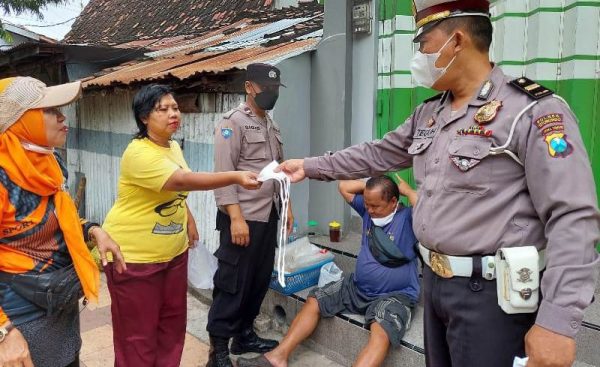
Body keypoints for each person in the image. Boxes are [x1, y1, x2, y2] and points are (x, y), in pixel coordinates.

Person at [277, 1, 600, 366]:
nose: (419, 55)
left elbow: (574, 217)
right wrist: (310, 166)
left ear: (456, 41)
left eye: (424, 43)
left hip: (493, 297)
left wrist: (557, 321)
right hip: (434, 284)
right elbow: (376, 154)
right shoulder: (429, 114)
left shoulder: (532, 111)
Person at [102, 84, 260, 367]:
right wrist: (235, 176)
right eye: (162, 109)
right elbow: (182, 181)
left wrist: (188, 216)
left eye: (175, 107)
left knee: (171, 328)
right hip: (135, 259)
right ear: (144, 118)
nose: (173, 113)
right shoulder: (138, 153)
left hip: (173, 255)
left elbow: (173, 187)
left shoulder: (172, 146)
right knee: (137, 337)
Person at [0, 76, 126, 367]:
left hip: (58, 302)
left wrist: (92, 229)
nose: (62, 117)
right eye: (49, 110)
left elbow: (59, 217)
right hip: (18, 317)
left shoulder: (48, 164)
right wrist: (4, 332)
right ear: (20, 119)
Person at [239, 175, 420, 367]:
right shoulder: (368, 211)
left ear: (393, 201)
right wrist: (370, 188)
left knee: (381, 332)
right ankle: (278, 357)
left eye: (375, 206)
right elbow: (344, 187)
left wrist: (407, 191)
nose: (369, 210)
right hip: (357, 287)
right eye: (367, 204)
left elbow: (427, 211)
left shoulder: (408, 217)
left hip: (394, 296)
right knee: (315, 299)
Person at [207, 63, 294, 367]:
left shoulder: (272, 125)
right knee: (232, 283)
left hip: (267, 216)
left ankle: (244, 335)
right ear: (249, 87)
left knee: (257, 282)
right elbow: (224, 174)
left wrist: (287, 207)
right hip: (241, 218)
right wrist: (235, 218)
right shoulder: (233, 123)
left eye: (274, 89)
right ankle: (217, 352)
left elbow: (280, 171)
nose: (270, 93)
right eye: (265, 88)